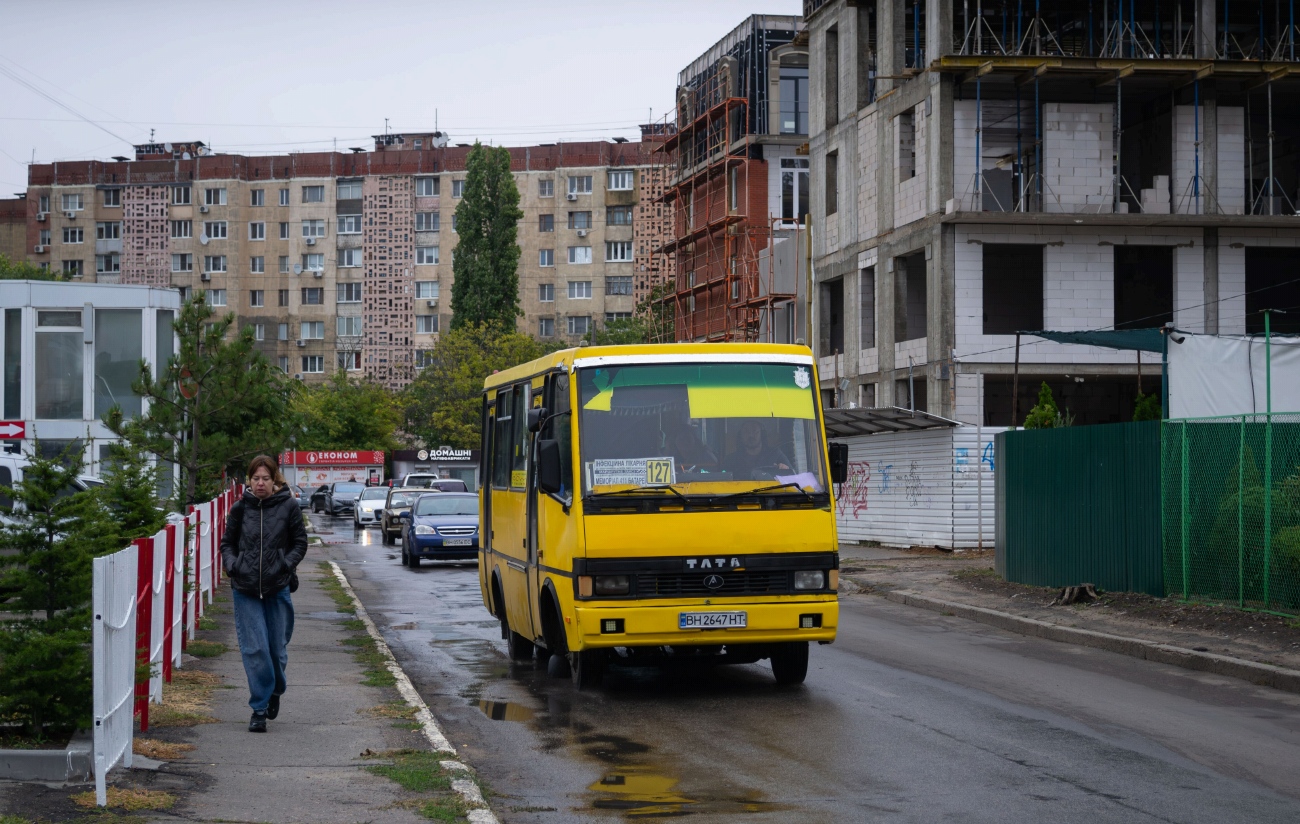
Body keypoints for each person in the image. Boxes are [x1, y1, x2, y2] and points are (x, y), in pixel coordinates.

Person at [220, 455, 308, 733]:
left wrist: (285, 564)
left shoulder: (289, 506)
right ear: (249, 480)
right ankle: (258, 708)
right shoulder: (239, 509)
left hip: (277, 586)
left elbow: (300, 543)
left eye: (265, 478)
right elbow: (227, 544)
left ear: (274, 480)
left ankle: (275, 690)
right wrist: (233, 566)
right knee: (254, 648)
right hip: (245, 587)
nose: (260, 483)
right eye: (255, 478)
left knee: (276, 650)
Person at [722, 420, 792, 479]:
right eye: (746, 432)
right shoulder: (730, 460)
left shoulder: (776, 455)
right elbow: (721, 480)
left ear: (762, 434)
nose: (751, 435)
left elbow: (792, 476)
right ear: (740, 436)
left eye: (755, 431)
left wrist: (785, 469)